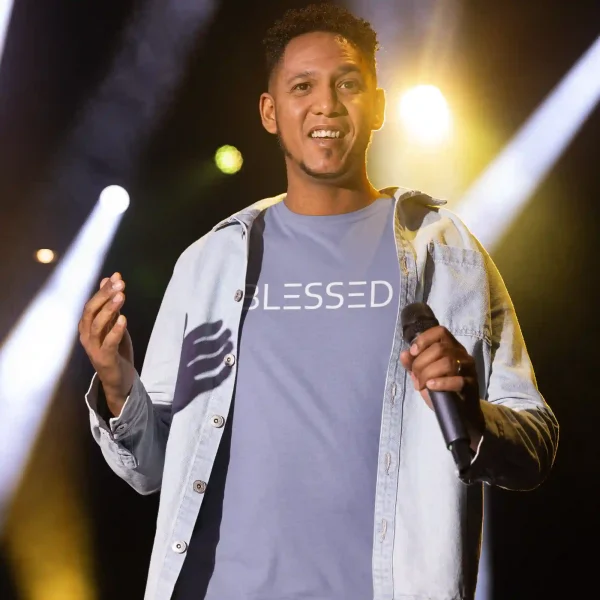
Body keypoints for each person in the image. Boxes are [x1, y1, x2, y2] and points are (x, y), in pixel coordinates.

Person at [78, 4, 558, 600]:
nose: (326, 104)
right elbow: (150, 471)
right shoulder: (210, 262)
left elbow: (536, 447)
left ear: (378, 106)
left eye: (347, 83)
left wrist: (470, 411)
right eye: (302, 86)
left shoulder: (445, 251)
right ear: (270, 112)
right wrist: (117, 382)